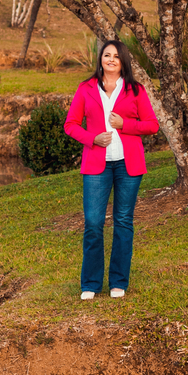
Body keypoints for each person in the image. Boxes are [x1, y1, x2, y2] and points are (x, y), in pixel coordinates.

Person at [63, 39, 159, 300]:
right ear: (101, 59)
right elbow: (71, 124)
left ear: (123, 60)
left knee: (123, 222)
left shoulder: (135, 90)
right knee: (93, 222)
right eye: (107, 55)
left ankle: (118, 282)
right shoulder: (86, 88)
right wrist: (92, 138)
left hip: (129, 165)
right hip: (96, 165)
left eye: (116, 56)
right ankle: (90, 284)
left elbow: (152, 125)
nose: (111, 60)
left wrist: (124, 124)